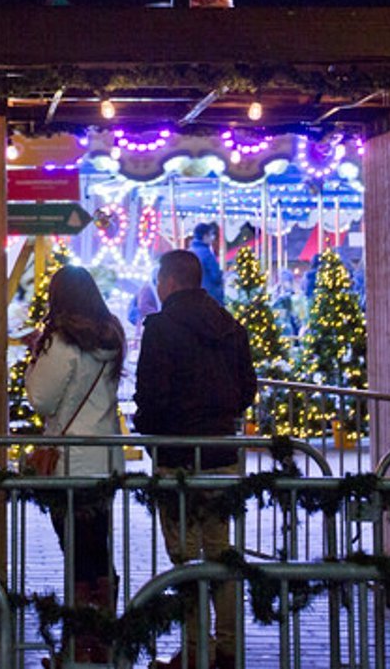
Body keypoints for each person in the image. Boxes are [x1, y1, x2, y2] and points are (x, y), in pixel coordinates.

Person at [134, 248, 256, 669]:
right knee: (220, 552)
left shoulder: (161, 328)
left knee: (185, 556)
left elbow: (150, 397)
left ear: (168, 281)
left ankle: (193, 648)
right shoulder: (230, 327)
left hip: (177, 457)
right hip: (222, 454)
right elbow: (247, 391)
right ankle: (227, 647)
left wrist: (151, 438)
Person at [23, 265, 125, 667]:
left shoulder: (60, 342)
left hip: (70, 465)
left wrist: (35, 359)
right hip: (104, 461)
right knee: (97, 550)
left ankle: (82, 646)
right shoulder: (111, 339)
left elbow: (41, 400)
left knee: (77, 556)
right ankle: (102, 641)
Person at [188, 222, 227, 306]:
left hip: (194, 295)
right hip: (210, 295)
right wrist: (221, 274)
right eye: (211, 235)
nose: (212, 238)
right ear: (205, 236)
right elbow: (215, 276)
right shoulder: (206, 253)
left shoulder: (190, 251)